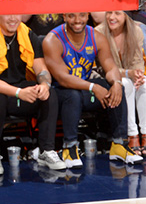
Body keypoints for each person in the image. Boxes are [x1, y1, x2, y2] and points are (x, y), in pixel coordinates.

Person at [43, 12, 139, 168]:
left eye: (81, 16)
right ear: (65, 17)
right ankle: (69, 147)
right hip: (58, 92)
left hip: (84, 88)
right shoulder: (53, 39)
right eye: (72, 16)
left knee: (115, 88)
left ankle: (119, 145)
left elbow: (110, 66)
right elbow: (62, 78)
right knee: (72, 95)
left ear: (87, 16)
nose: (77, 20)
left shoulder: (96, 37)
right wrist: (93, 87)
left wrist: (116, 83)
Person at [0, 15, 64, 174]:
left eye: (16, 14)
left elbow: (41, 69)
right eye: (8, 14)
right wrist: (18, 93)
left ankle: (46, 151)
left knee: (49, 94)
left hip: (21, 88)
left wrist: (44, 84)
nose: (13, 18)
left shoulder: (29, 35)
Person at [97, 11, 146, 156]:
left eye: (117, 14)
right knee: (125, 84)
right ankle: (132, 135)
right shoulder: (98, 33)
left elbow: (137, 61)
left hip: (130, 75)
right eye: (109, 13)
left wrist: (139, 75)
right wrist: (129, 73)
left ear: (126, 16)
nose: (112, 17)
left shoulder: (136, 31)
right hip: (108, 79)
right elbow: (103, 69)